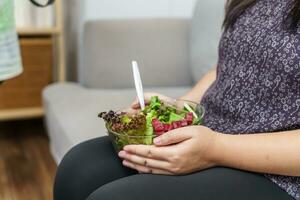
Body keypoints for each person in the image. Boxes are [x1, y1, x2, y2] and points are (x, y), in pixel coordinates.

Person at [54, 0, 300, 199]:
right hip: (209, 134)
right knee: (78, 169)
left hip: (278, 173)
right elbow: (229, 67)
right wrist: (179, 108)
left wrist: (215, 149)